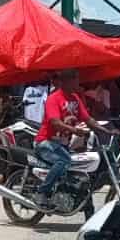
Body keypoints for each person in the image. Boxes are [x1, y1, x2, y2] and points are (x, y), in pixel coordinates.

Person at [34, 69, 104, 202]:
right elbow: (55, 123)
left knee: (78, 169)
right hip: (45, 143)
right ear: (65, 81)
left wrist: (105, 131)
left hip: (62, 145)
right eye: (75, 79)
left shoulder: (75, 98)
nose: (78, 82)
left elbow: (88, 120)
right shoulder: (53, 99)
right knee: (64, 161)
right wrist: (74, 130)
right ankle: (42, 192)